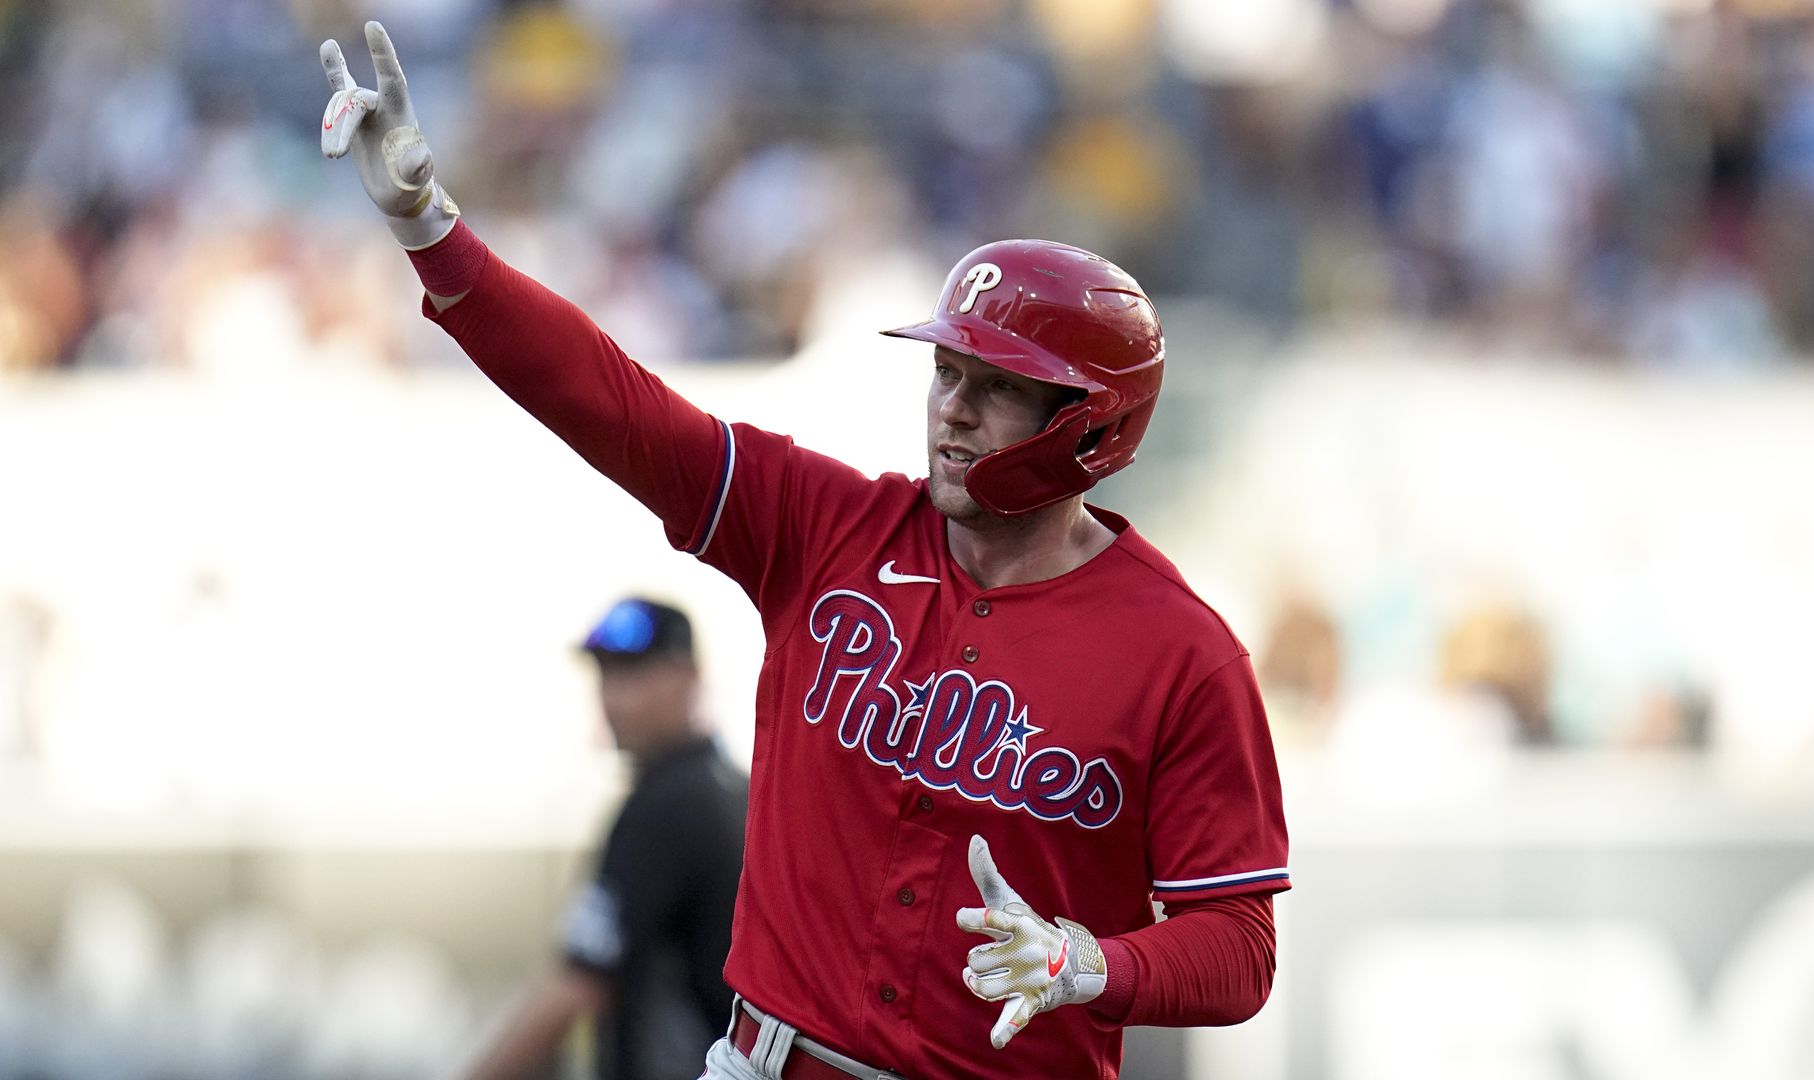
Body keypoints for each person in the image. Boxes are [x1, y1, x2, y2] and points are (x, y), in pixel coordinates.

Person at [322, 23, 1289, 1080]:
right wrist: (431, 230)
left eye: (999, 388)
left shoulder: (1180, 654)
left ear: (1091, 421)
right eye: (948, 375)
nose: (954, 413)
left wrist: (1093, 962)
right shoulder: (827, 525)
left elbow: (1239, 946)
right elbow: (613, 403)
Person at [465, 598, 748, 1080]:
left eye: (633, 675)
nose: (614, 699)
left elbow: (578, 985)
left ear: (687, 677)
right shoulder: (734, 790)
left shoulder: (669, 805)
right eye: (606, 676)